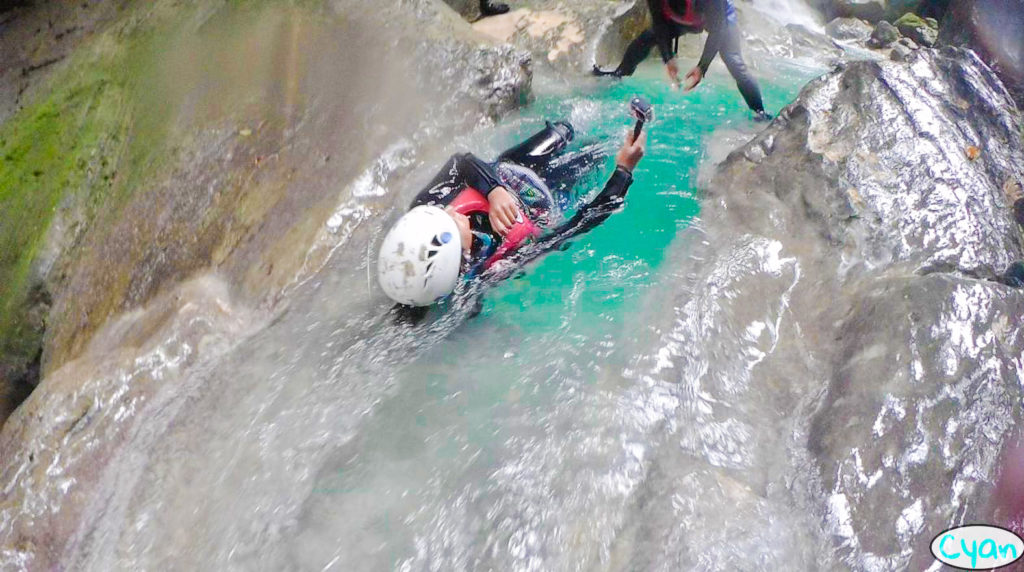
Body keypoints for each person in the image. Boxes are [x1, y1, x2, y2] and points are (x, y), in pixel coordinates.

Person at [378, 121, 646, 314]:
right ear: (458, 257)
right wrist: (624, 170)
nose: (448, 210)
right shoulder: (500, 265)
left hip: (514, 166)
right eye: (450, 221)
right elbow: (580, 225)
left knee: (563, 129)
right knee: (595, 154)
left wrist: (494, 191)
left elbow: (462, 162)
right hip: (552, 191)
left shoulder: (428, 205)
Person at [592, 0, 770, 120]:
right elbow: (660, 25)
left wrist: (702, 67)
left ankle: (760, 113)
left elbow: (718, 30)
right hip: (681, 18)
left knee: (732, 60)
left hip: (719, 19)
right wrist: (668, 59)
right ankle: (619, 73)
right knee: (649, 36)